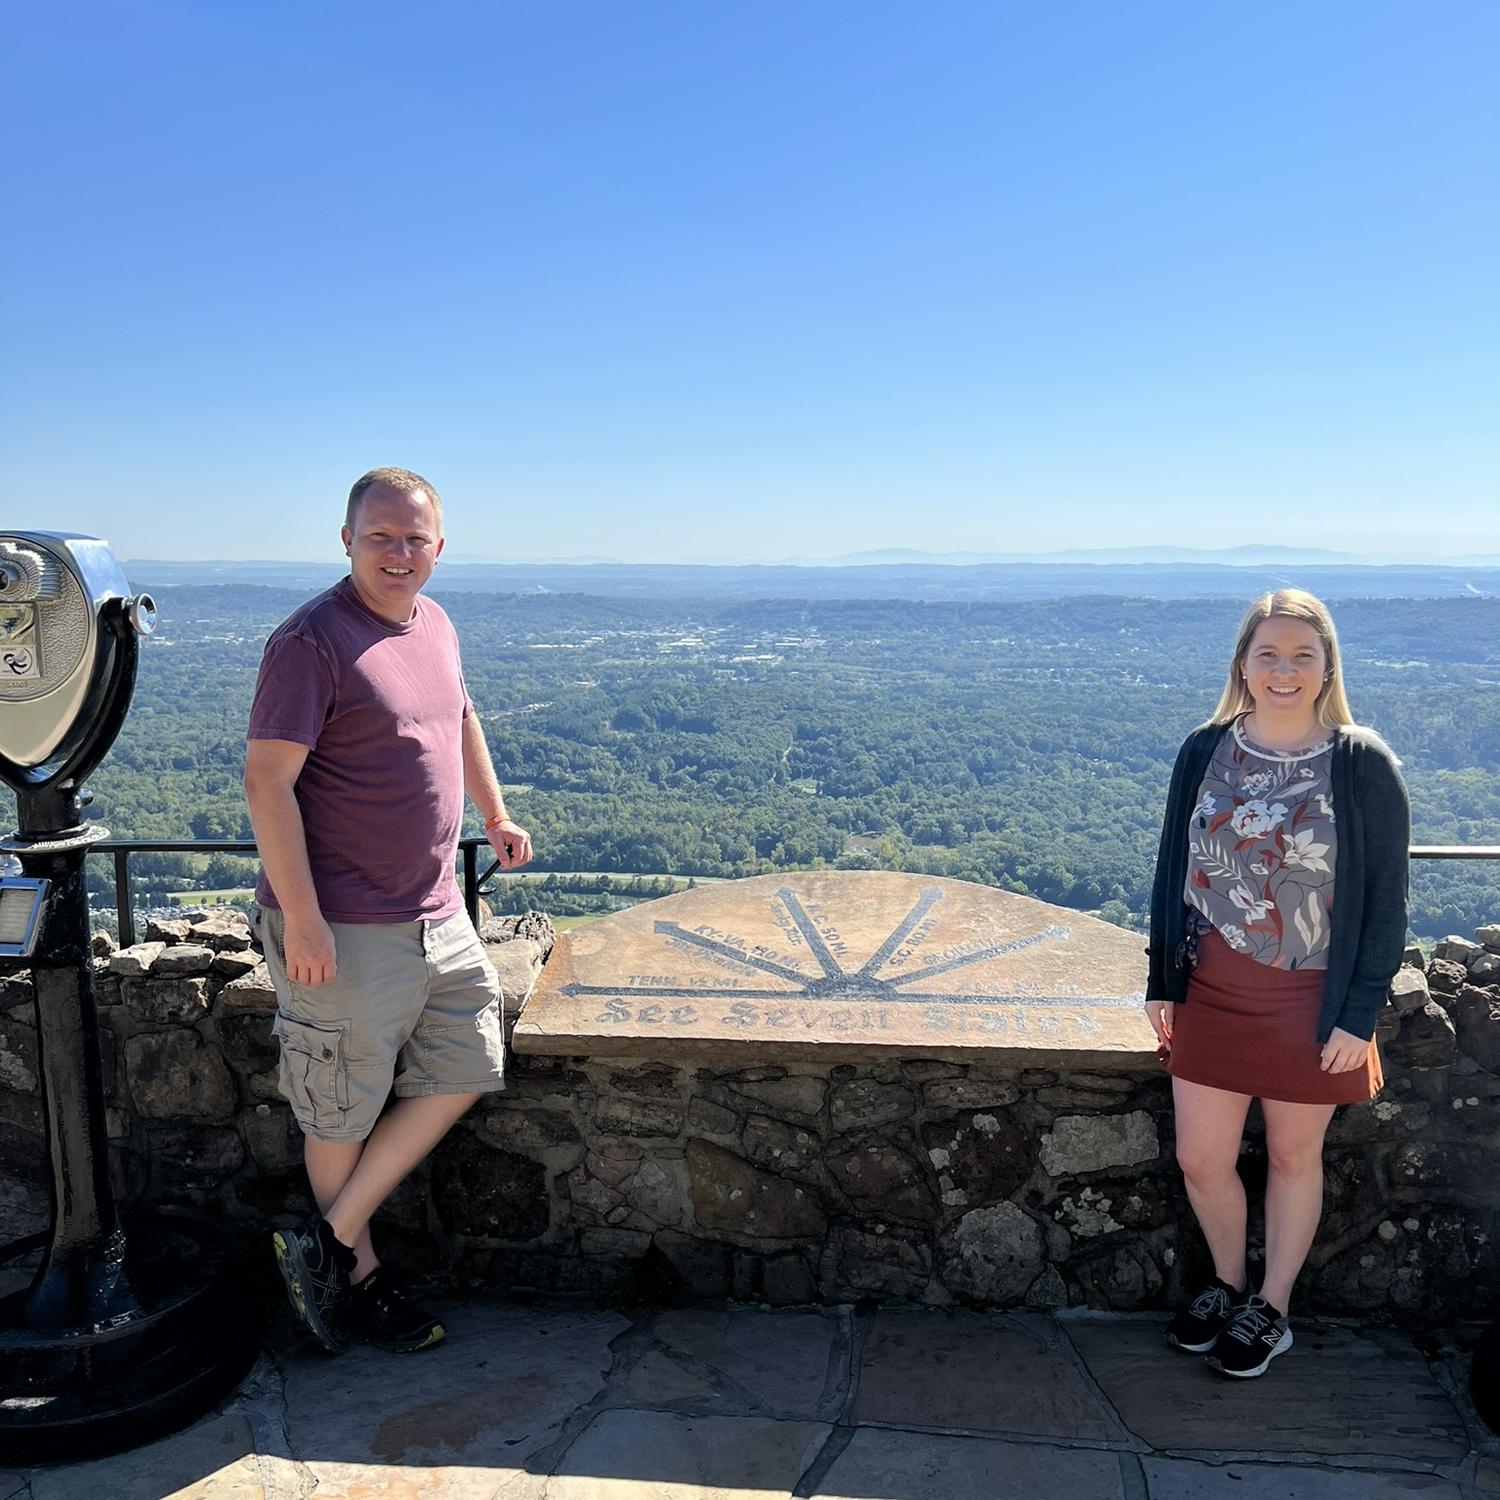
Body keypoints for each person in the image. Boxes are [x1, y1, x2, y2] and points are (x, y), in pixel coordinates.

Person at [244, 467, 532, 1355]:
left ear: (438, 546)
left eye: (415, 539)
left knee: (466, 1065)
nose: (399, 554)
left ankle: (325, 1240)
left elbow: (459, 720)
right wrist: (303, 918)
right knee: (339, 1107)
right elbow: (267, 784)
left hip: (436, 910)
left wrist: (494, 811)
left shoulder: (435, 624)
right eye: (381, 537)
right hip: (344, 923)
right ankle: (360, 1279)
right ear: (346, 540)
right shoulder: (311, 642)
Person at [1145, 588, 1408, 1379]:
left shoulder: (1362, 763)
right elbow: (1172, 868)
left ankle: (1273, 1306)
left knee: (1295, 1158)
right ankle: (1226, 1284)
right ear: (1244, 666)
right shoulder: (1205, 749)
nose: (1284, 670)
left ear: (1327, 667)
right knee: (1200, 1156)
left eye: (1302, 654)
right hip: (1214, 987)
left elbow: (1387, 901)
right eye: (1269, 654)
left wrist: (1357, 1015)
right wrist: (1163, 978)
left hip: (1310, 996)